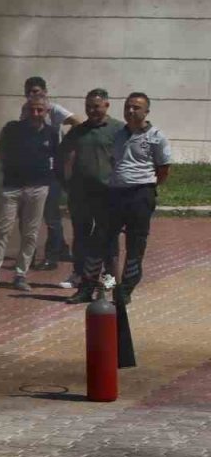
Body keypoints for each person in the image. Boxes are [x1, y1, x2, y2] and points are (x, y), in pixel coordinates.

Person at [67, 92, 172, 306]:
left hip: (140, 195)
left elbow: (163, 170)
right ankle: (89, 287)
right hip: (114, 195)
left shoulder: (157, 137)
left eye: (136, 107)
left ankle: (124, 290)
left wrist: (145, 187)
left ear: (146, 111)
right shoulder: (117, 134)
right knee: (100, 244)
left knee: (134, 246)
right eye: (128, 107)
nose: (131, 111)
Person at [0, 94, 59, 293]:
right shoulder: (13, 129)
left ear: (46, 112)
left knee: (30, 234)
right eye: (31, 109)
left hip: (38, 188)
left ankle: (21, 275)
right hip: (12, 187)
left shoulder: (52, 133)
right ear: (25, 110)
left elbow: (56, 158)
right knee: (2, 231)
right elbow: (3, 152)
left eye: (40, 110)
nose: (35, 113)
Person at [58, 89, 123, 290]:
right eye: (88, 107)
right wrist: (65, 184)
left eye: (96, 106)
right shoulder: (78, 131)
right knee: (81, 236)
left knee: (108, 237)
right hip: (81, 194)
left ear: (106, 105)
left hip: (108, 194)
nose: (92, 110)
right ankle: (79, 274)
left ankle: (110, 276)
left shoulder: (118, 129)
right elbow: (63, 156)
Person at [24, 76, 79, 271]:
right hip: (33, 171)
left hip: (51, 170)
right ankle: (61, 247)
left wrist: (65, 146)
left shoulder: (53, 109)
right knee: (39, 214)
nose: (33, 95)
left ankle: (51, 257)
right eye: (29, 92)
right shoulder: (26, 110)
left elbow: (77, 122)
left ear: (45, 92)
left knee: (51, 215)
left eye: (37, 91)